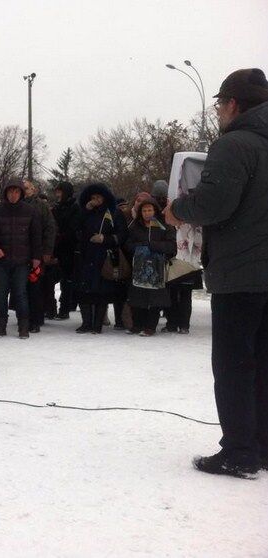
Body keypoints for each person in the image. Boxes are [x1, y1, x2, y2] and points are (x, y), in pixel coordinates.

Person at [164, 68, 268, 478]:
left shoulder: (234, 144)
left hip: (242, 275)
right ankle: (261, 445)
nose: (219, 112)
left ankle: (240, 452)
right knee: (263, 362)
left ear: (232, 104)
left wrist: (178, 210)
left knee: (234, 365)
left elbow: (213, 205)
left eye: (219, 104)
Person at [0, 181, 41, 339]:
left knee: (20, 293)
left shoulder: (30, 211)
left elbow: (36, 236)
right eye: (10, 192)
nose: (13, 195)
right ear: (6, 193)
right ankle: (1, 326)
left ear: (21, 193)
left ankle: (24, 327)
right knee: (1, 294)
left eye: (16, 192)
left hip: (22, 260)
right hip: (1, 261)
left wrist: (36, 257)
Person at [74, 183, 128, 334]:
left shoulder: (114, 212)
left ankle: (97, 324)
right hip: (85, 255)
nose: (95, 200)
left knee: (101, 291)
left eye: (98, 197)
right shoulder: (84, 211)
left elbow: (122, 235)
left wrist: (105, 238)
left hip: (104, 257)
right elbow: (75, 227)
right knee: (84, 290)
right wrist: (85, 211)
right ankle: (86, 323)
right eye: (93, 197)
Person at [123, 196, 176, 336]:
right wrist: (139, 248)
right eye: (144, 210)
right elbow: (127, 244)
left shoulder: (164, 226)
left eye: (149, 210)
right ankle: (137, 324)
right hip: (139, 267)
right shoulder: (134, 226)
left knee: (155, 299)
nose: (147, 213)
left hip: (157, 269)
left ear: (155, 210)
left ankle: (150, 326)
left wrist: (153, 246)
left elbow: (171, 246)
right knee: (137, 297)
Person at [23, 180, 57, 332]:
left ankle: (36, 319)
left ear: (34, 189)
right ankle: (24, 317)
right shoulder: (15, 205)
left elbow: (50, 228)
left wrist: (47, 251)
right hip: (19, 253)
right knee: (21, 287)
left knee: (35, 286)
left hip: (37, 252)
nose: (25, 191)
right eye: (22, 189)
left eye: (27, 188)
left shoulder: (41, 206)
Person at [51, 181, 81, 319]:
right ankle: (56, 306)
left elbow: (73, 229)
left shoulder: (74, 208)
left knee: (67, 279)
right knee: (57, 278)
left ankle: (65, 307)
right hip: (57, 246)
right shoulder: (57, 207)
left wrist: (60, 235)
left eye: (60, 191)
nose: (57, 194)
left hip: (69, 247)